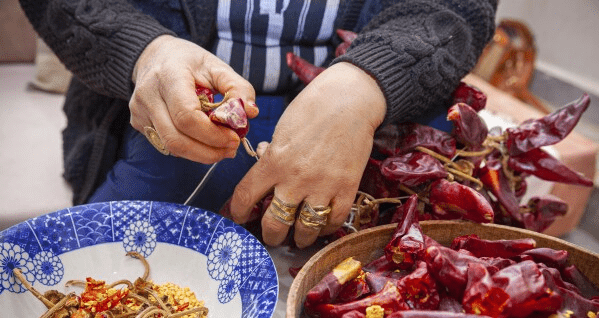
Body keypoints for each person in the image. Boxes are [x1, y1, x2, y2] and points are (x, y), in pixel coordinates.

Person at [19, 0, 498, 249]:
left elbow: (458, 9)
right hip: (165, 118)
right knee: (100, 269)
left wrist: (365, 85)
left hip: (377, 115)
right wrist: (144, 51)